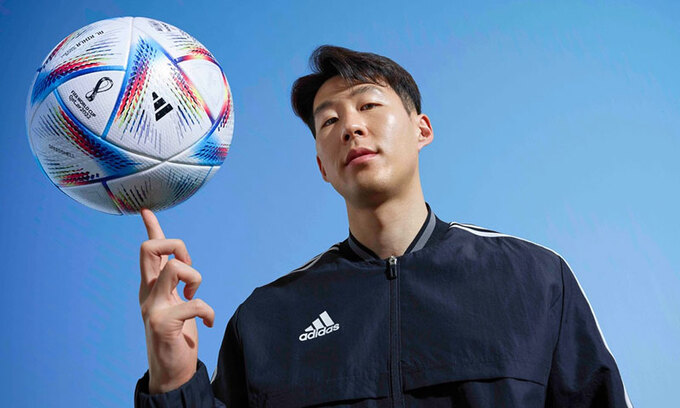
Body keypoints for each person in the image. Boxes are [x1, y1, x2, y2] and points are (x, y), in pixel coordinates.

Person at [134, 45, 633, 407]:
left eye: (369, 105)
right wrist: (173, 377)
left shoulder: (534, 279)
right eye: (329, 121)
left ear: (422, 129)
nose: (351, 126)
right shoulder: (267, 320)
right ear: (322, 166)